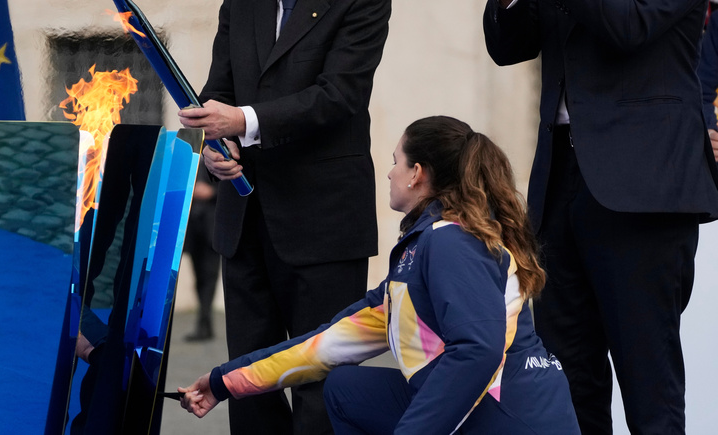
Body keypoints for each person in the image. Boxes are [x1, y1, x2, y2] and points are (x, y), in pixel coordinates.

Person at [484, 0, 718, 434]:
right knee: (567, 379)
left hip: (642, 190)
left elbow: (631, 25)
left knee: (648, 386)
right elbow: (509, 46)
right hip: (561, 184)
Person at [178, 116, 579, 434]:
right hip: (491, 405)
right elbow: (325, 344)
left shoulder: (450, 241)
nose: (389, 173)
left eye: (395, 161)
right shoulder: (426, 247)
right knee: (346, 389)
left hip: (512, 415)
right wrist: (223, 382)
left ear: (416, 173)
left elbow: (479, 350)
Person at [177, 0, 391, 434]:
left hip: (322, 224)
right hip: (244, 220)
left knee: (320, 381)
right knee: (249, 380)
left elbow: (338, 97)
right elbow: (218, 89)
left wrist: (242, 121)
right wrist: (215, 146)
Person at [182, 163, 220, 342]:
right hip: (193, 230)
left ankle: (204, 323)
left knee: (209, 278)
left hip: (211, 231)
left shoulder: (222, 155)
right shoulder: (191, 160)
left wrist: (211, 192)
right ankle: (205, 324)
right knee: (199, 279)